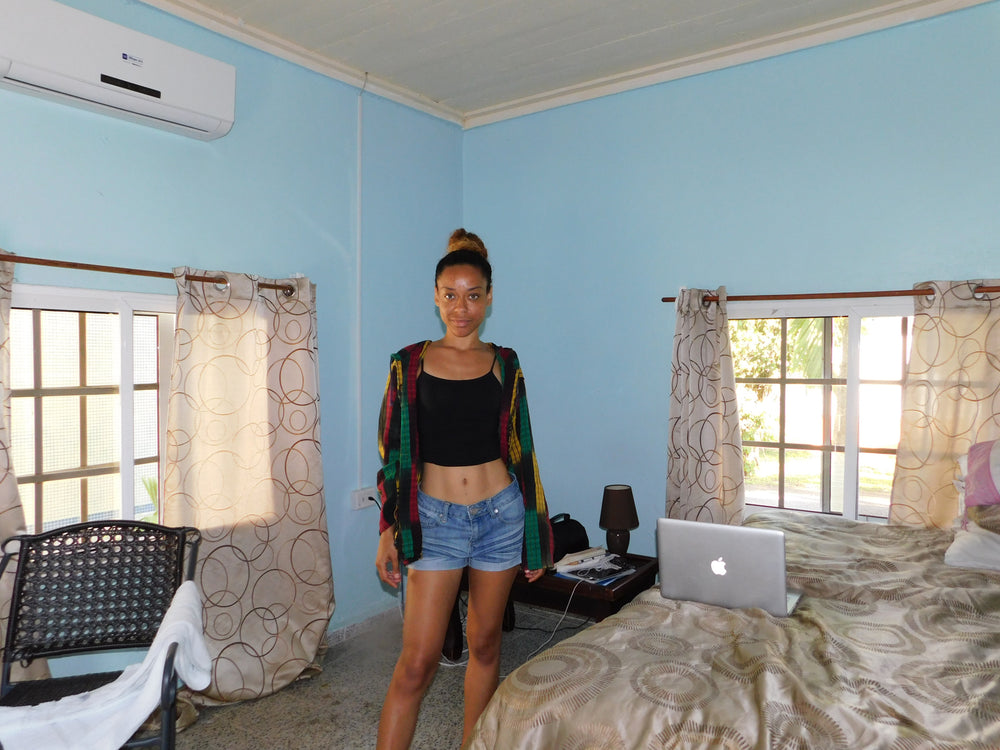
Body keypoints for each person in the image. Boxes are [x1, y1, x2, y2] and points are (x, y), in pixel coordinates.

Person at [374, 228, 554, 749]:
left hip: (501, 517)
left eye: (473, 295)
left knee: (486, 646)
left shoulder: (506, 362)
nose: (462, 308)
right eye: (451, 295)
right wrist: (388, 528)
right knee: (417, 662)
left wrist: (537, 535)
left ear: (489, 298)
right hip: (435, 521)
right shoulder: (408, 363)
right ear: (435, 296)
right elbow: (392, 451)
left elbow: (523, 449)